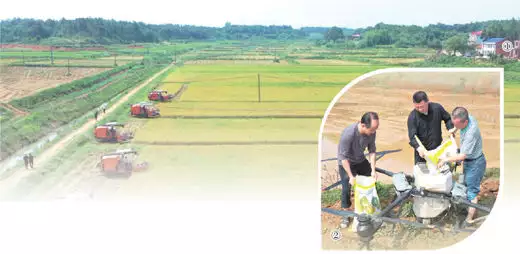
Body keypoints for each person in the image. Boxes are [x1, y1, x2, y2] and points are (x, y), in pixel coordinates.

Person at [437, 107, 486, 225]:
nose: (456, 126)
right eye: (454, 123)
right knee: (464, 184)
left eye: (458, 125)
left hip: (475, 163)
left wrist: (445, 159)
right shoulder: (469, 117)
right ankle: (467, 207)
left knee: (472, 192)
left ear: (465, 122)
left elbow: (462, 156)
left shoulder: (471, 133)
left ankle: (469, 219)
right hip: (469, 160)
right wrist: (454, 129)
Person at [337, 112, 379, 210]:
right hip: (346, 162)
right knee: (346, 188)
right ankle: (345, 212)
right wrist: (351, 176)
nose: (373, 132)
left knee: (371, 180)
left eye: (375, 129)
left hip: (360, 159)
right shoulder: (349, 134)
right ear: (363, 125)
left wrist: (373, 170)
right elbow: (343, 158)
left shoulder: (372, 132)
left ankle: (368, 203)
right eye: (372, 129)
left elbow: (372, 151)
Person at [407, 91, 454, 165]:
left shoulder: (437, 108)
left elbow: (448, 119)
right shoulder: (412, 117)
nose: (420, 109)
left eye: (422, 106)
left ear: (427, 101)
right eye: (417, 107)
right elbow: (412, 136)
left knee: (439, 172)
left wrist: (450, 129)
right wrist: (418, 148)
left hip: (437, 149)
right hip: (422, 154)